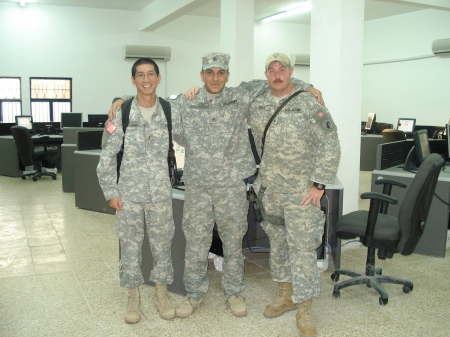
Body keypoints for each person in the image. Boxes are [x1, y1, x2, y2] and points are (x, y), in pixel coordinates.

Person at [108, 52, 322, 319]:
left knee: (233, 244)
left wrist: (307, 86)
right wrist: (119, 102)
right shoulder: (187, 102)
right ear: (201, 75)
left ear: (227, 75)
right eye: (209, 72)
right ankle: (194, 295)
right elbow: (148, 100)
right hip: (198, 186)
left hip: (231, 187)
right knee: (196, 244)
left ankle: (233, 293)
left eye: (220, 72)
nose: (215, 77)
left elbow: (275, 81)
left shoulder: (241, 97)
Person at [249, 53, 340, 337]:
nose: (277, 75)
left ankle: (305, 309)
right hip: (271, 190)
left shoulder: (309, 103)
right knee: (277, 244)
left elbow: (331, 143)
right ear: (266, 74)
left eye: (282, 70)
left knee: (302, 249)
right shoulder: (257, 101)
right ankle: (285, 295)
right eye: (272, 70)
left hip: (302, 192)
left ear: (291, 72)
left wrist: (319, 184)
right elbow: (224, 92)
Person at [97, 58, 176, 324]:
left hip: (160, 194)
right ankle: (133, 295)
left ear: (158, 77)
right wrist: (111, 191)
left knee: (162, 245)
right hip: (128, 194)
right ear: (133, 80)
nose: (146, 79)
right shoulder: (120, 113)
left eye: (150, 74)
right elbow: (107, 155)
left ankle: (161, 293)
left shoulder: (169, 110)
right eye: (140, 75)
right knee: (130, 246)